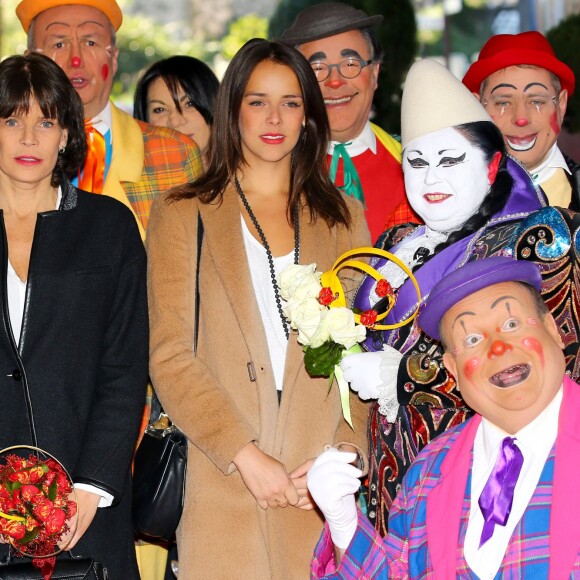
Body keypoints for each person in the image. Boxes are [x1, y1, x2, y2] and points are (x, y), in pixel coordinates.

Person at [147, 38, 371, 578]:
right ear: (232, 110)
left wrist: (343, 456)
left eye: (291, 102)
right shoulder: (182, 213)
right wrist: (246, 456)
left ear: (308, 116)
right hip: (221, 477)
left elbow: (364, 350)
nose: (275, 118)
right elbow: (170, 354)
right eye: (257, 101)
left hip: (317, 490)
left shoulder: (344, 216)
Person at [340, 58, 580, 535]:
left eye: (451, 160)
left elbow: (562, 356)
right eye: (417, 162)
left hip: (493, 477)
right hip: (390, 479)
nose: (431, 180)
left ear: (493, 164)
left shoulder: (538, 238)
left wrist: (402, 377)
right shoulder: (393, 246)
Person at [308, 256, 580, 578]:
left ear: (552, 329)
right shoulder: (428, 471)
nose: (497, 349)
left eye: (511, 324)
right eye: (473, 340)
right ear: (452, 370)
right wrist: (344, 524)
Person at [0, 52, 147, 577]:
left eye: (46, 121)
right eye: (12, 120)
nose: (28, 138)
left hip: (85, 505)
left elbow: (124, 369)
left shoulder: (108, 228)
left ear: (66, 135)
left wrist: (92, 487)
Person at [16, 0, 204, 239]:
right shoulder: (8, 154)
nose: (76, 60)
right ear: (30, 61)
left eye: (90, 42)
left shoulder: (175, 154)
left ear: (114, 57)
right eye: (59, 43)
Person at [280, 2, 420, 242]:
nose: (335, 82)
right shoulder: (276, 172)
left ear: (374, 74)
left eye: (351, 65)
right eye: (317, 68)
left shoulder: (417, 165)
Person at [463, 31, 579, 210]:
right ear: (477, 107)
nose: (521, 119)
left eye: (536, 101)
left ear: (561, 104)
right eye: (503, 102)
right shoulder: (450, 196)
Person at [133, 55, 219, 162]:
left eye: (189, 103)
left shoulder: (242, 173)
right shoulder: (126, 175)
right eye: (160, 109)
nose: (175, 121)